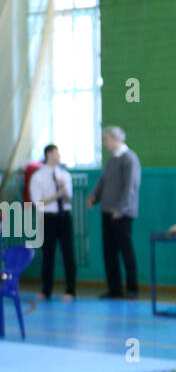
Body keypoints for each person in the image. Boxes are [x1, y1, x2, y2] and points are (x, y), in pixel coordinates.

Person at [87, 127, 141, 299]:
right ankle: (114, 288)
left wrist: (120, 209)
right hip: (107, 211)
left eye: (107, 139)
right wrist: (94, 197)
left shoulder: (129, 159)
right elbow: (103, 181)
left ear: (116, 138)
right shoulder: (111, 161)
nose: (105, 143)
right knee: (109, 252)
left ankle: (132, 288)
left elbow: (130, 187)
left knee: (126, 251)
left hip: (122, 214)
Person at [29, 144, 76, 301]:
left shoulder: (65, 175)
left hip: (64, 217)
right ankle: (46, 290)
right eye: (56, 153)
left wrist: (64, 191)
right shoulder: (38, 177)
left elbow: (69, 199)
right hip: (47, 218)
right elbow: (38, 202)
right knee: (48, 255)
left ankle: (71, 290)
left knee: (68, 254)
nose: (58, 156)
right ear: (49, 154)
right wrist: (57, 194)